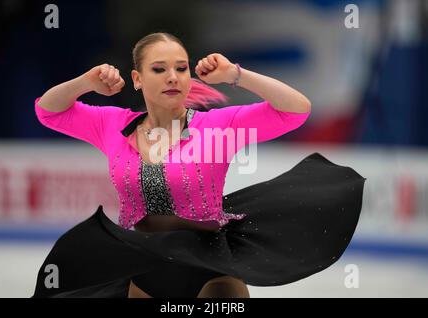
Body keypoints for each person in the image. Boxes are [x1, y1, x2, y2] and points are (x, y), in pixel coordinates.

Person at [32, 32, 366, 298]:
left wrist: (236, 74)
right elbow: (49, 111)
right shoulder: (112, 124)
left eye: (181, 68)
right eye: (159, 69)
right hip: (148, 272)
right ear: (137, 78)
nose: (173, 77)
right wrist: (85, 84)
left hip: (213, 269)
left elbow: (296, 110)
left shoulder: (219, 126)